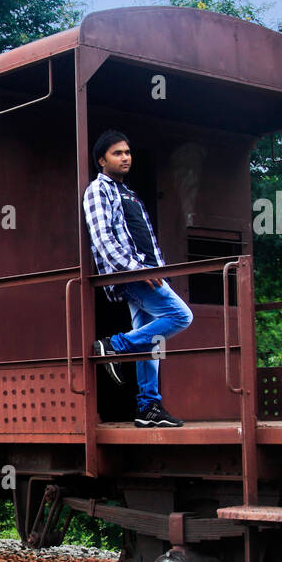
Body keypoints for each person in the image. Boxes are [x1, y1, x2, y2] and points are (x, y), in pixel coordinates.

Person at [82, 129, 193, 428]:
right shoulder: (97, 191)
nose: (125, 157)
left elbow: (144, 239)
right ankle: (115, 345)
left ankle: (148, 407)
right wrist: (138, 270)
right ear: (101, 160)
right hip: (134, 275)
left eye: (128, 152)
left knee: (151, 340)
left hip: (149, 273)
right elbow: (103, 240)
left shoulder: (129, 193)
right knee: (181, 316)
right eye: (117, 153)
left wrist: (156, 269)